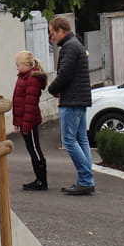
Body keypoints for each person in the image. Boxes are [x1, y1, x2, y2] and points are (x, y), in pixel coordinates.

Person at [46, 16, 95, 195]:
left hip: (72, 100)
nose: (51, 37)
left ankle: (86, 179)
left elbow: (65, 74)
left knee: (69, 140)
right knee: (81, 140)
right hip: (80, 99)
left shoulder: (69, 47)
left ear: (61, 31)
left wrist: (52, 89)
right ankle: (86, 180)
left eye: (52, 33)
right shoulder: (76, 44)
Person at [12, 50, 48, 192]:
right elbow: (19, 101)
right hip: (25, 120)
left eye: (18, 65)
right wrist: (17, 122)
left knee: (34, 149)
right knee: (31, 149)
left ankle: (41, 180)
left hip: (30, 121)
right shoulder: (23, 77)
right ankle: (39, 179)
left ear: (26, 64)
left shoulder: (32, 79)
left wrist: (25, 125)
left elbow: (30, 104)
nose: (17, 67)